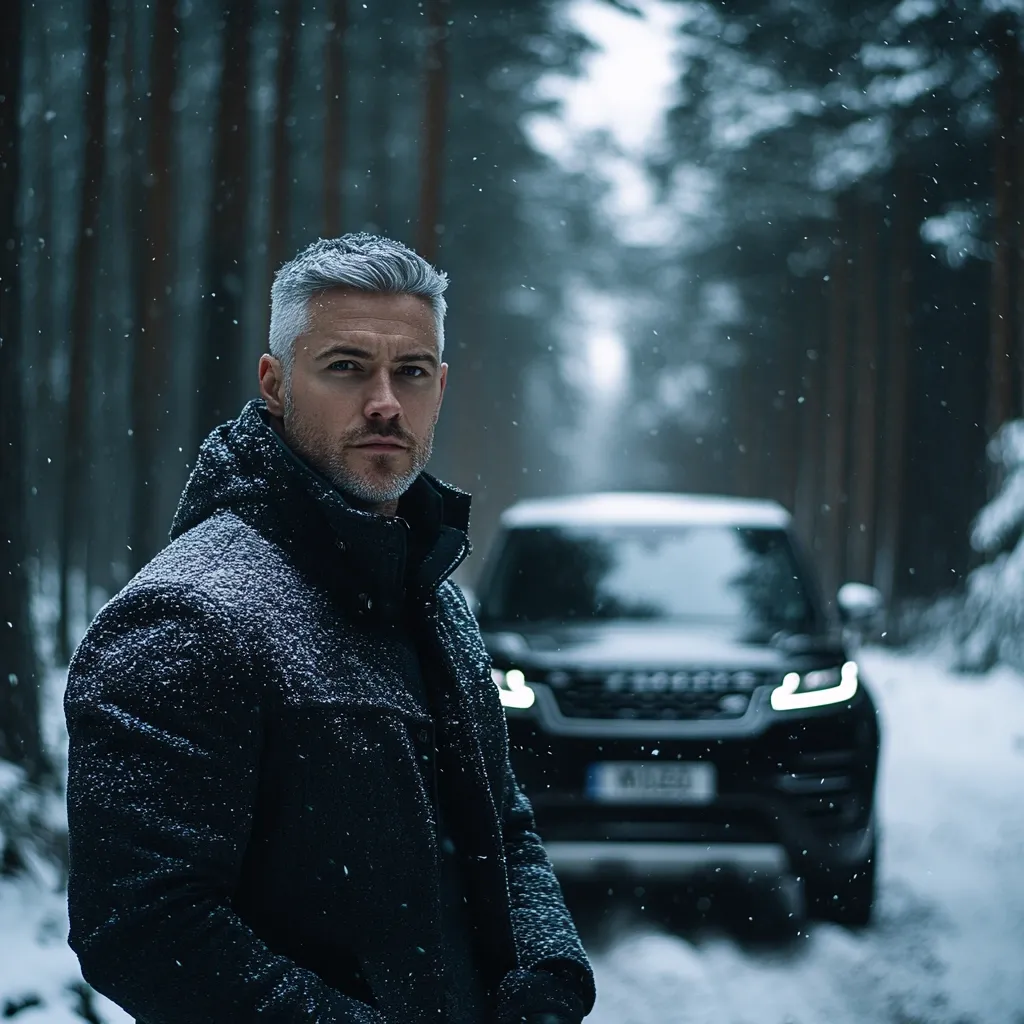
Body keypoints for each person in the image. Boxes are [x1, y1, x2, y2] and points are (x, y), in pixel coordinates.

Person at [64, 234, 596, 1024]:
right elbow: (141, 927)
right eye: (347, 367)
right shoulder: (187, 614)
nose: (385, 400)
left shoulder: (434, 599)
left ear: (440, 388)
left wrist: (550, 970)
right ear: (275, 384)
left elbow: (500, 820)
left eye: (410, 372)